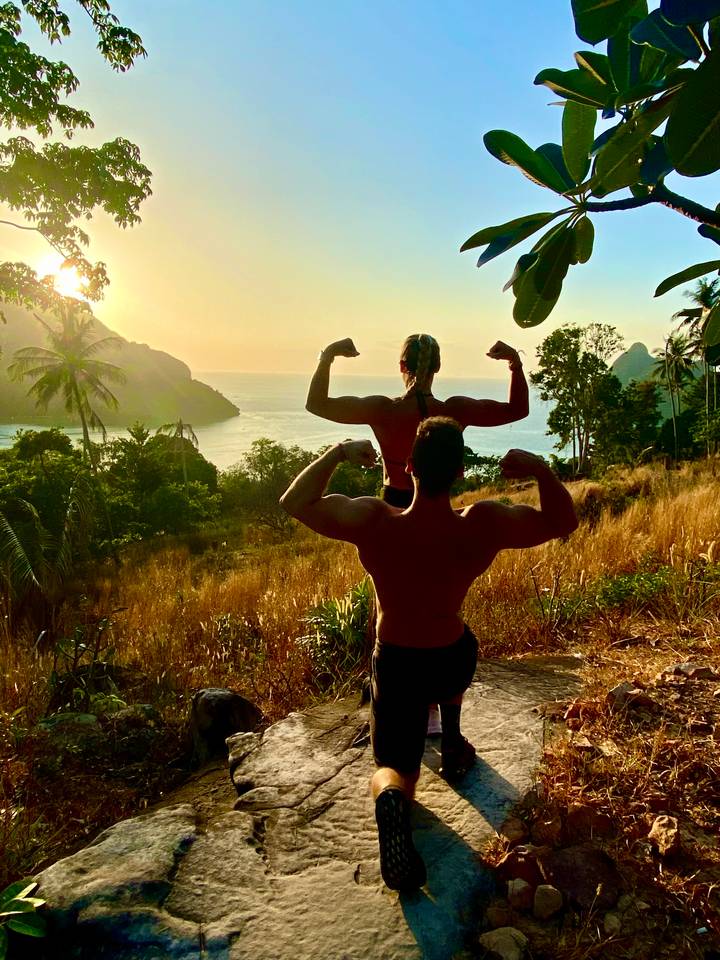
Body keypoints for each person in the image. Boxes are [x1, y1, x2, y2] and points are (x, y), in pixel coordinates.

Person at [280, 417, 577, 892]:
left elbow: (294, 502)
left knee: (394, 769)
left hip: (397, 659)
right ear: (459, 472)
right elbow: (563, 521)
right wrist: (540, 469)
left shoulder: (375, 521)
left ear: (411, 467)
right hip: (448, 656)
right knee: (463, 647)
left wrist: (338, 453)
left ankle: (393, 796)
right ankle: (453, 738)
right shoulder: (482, 524)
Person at [306, 334, 529, 507]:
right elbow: (517, 410)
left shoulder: (382, 409)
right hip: (436, 504)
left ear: (402, 366)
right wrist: (514, 363)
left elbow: (317, 404)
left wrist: (328, 356)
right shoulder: (456, 410)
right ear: (438, 367)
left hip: (393, 501)